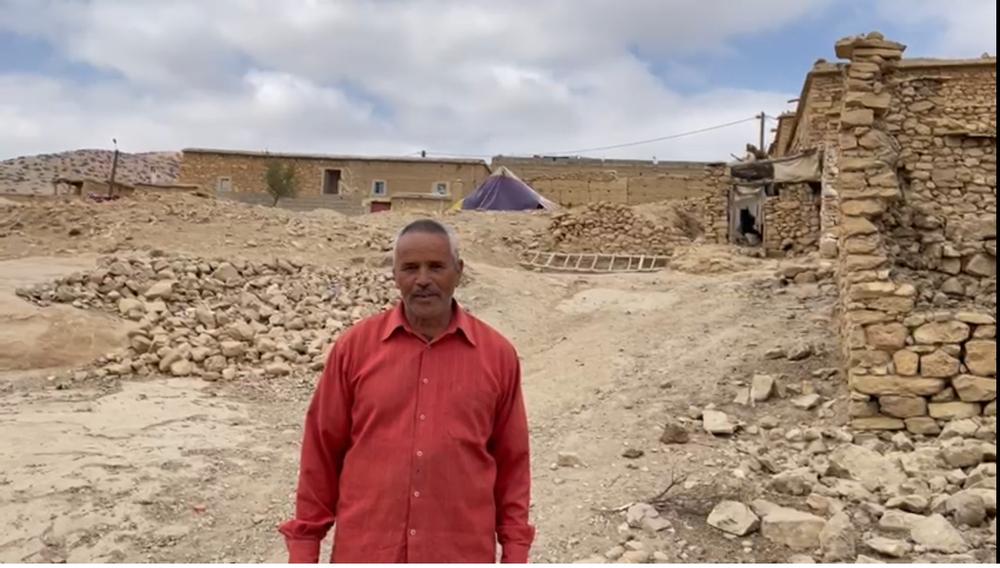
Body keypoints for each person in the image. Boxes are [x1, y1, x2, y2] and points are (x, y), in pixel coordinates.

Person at [279, 219, 535, 563]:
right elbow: (321, 451)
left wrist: (515, 551)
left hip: (460, 553)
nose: (423, 280)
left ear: (458, 271)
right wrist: (304, 547)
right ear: (395, 274)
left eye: (436, 267)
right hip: (367, 551)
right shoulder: (355, 349)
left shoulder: (497, 355)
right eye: (411, 268)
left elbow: (512, 463)